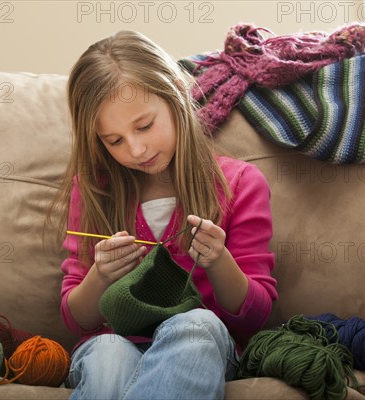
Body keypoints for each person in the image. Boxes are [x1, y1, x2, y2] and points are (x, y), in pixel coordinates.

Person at [47, 30, 278, 400]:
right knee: (109, 353)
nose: (136, 149)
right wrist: (100, 276)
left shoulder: (240, 184)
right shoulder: (94, 189)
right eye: (115, 141)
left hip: (203, 344)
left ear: (175, 92)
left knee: (195, 325)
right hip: (111, 340)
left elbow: (254, 317)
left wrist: (219, 262)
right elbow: (78, 320)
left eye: (144, 126)